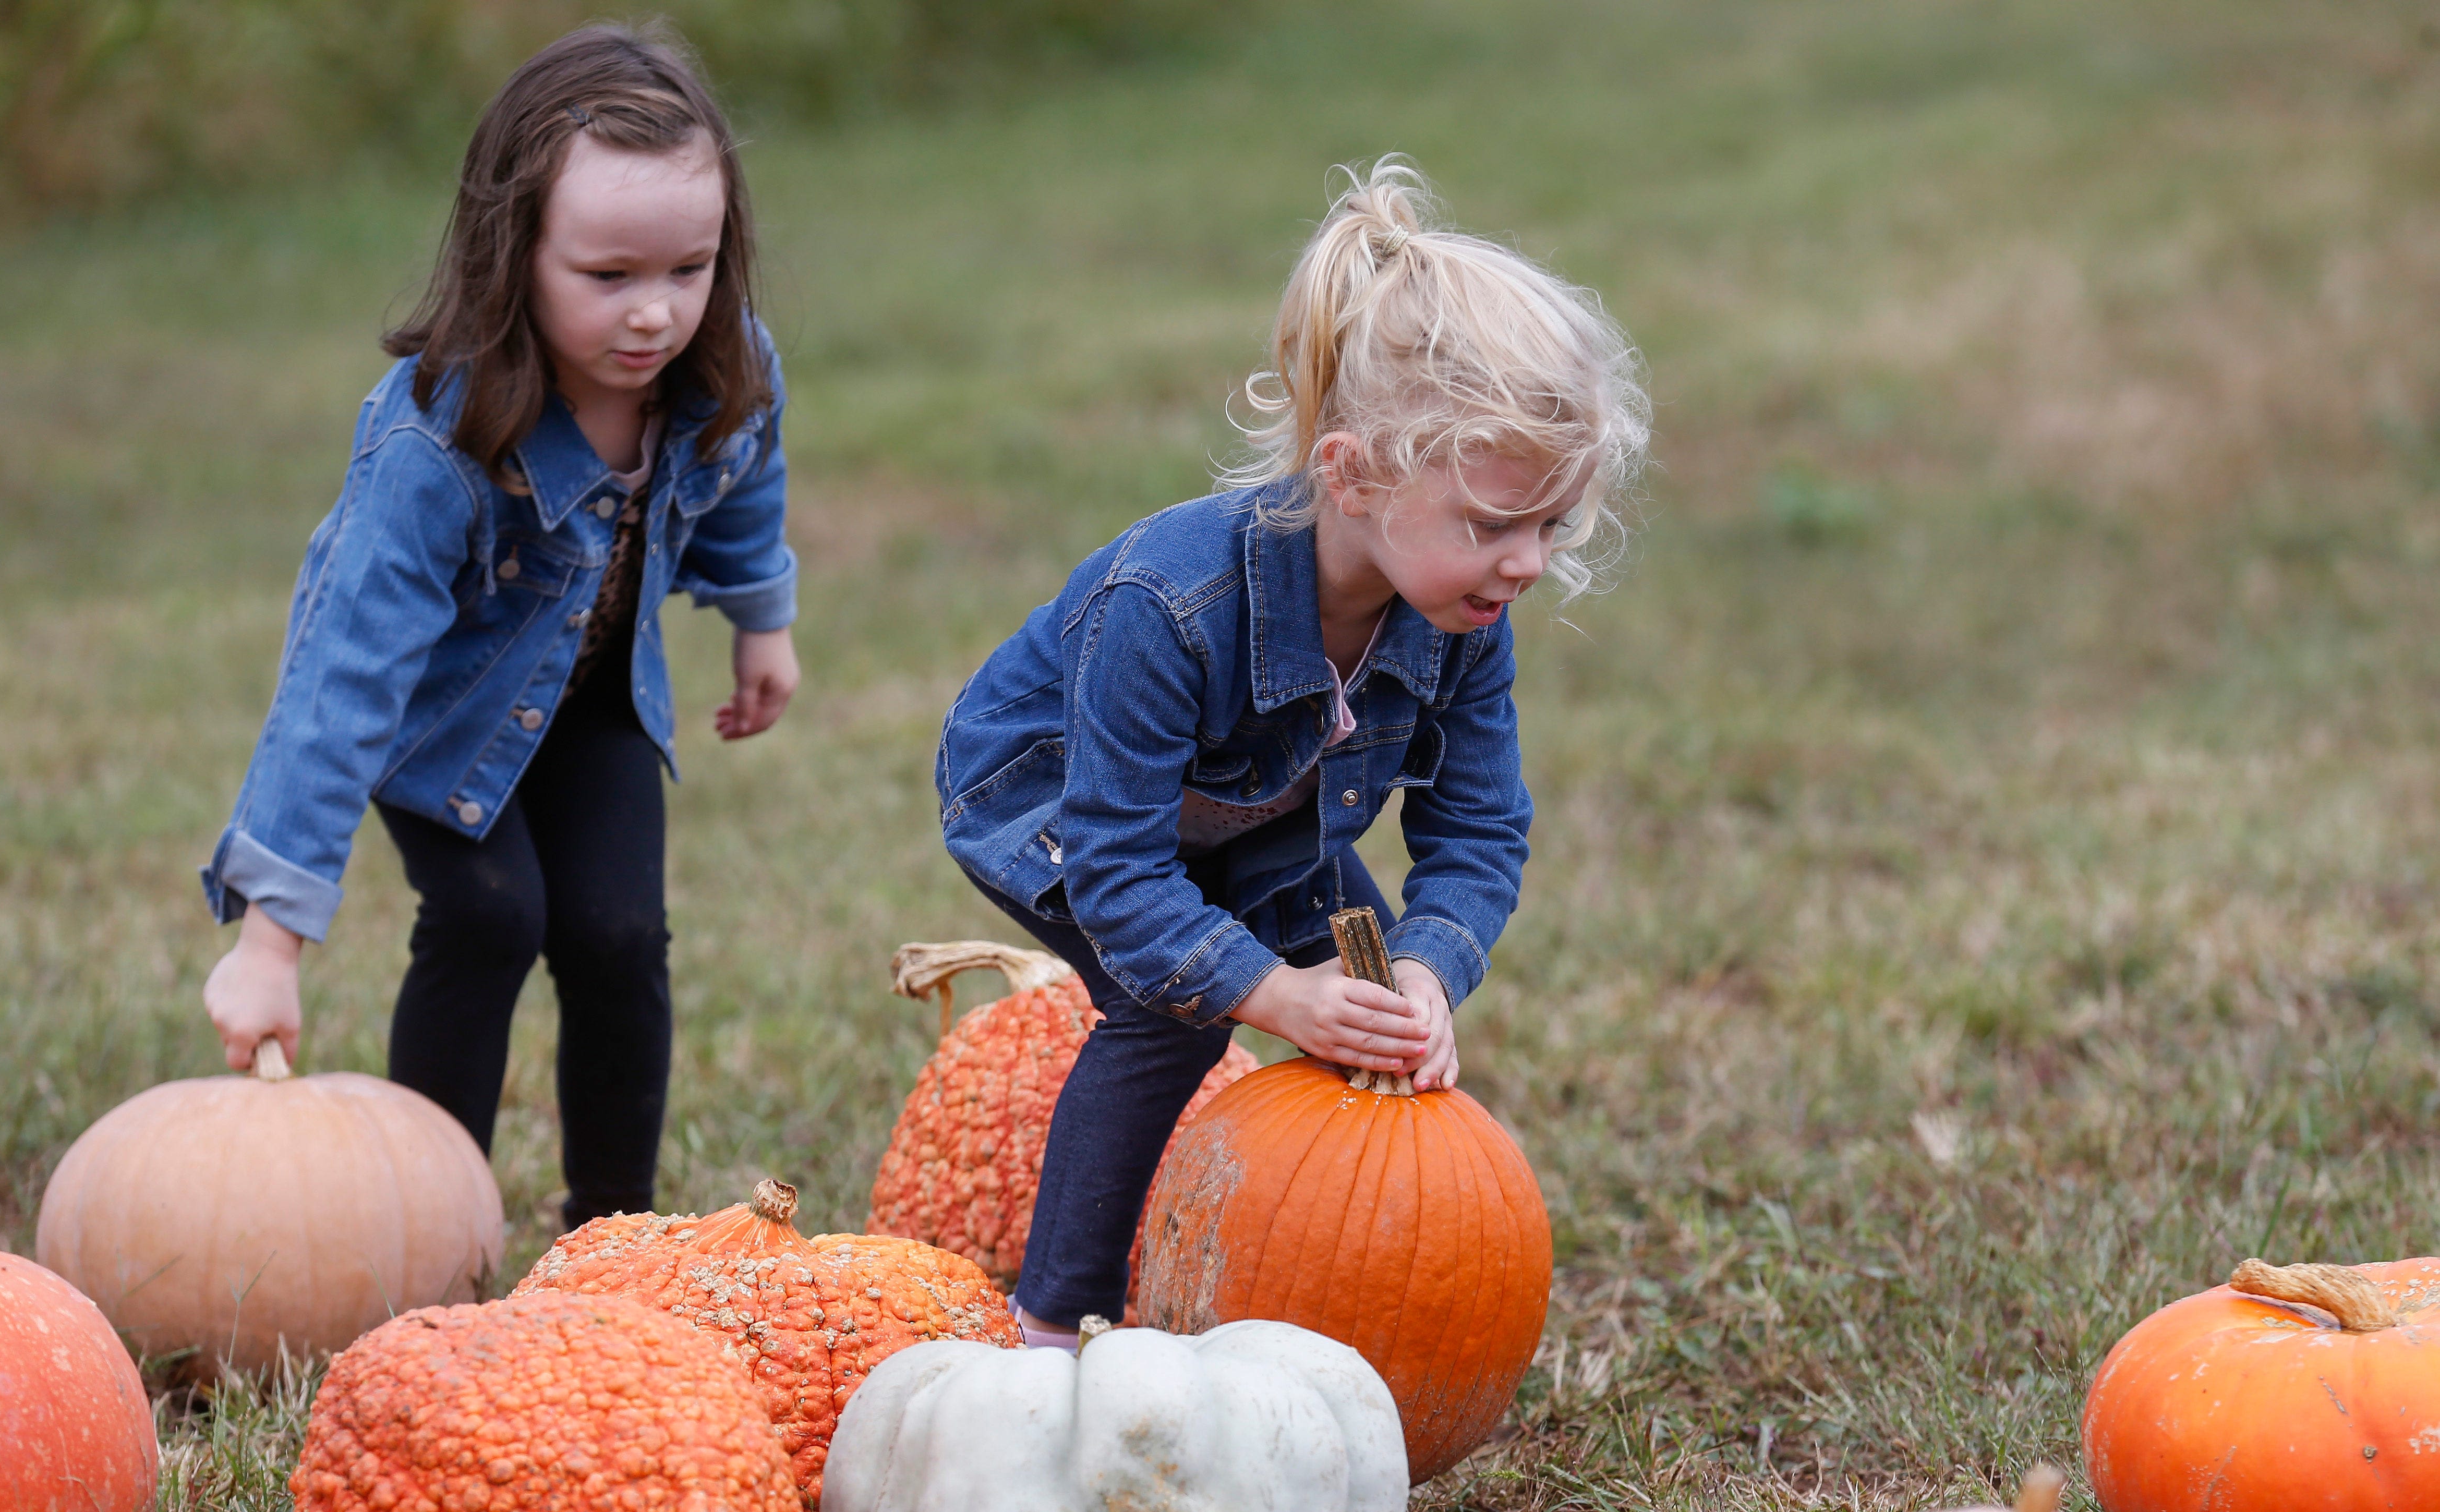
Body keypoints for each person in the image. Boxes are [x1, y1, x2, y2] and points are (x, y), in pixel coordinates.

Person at [937, 158, 1648, 1345]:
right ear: (1351, 473)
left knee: (1367, 1015)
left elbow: (1477, 830)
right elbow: (1120, 876)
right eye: (1491, 523)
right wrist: (1271, 994)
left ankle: (1304, 1299)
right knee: (1171, 1010)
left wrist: (1420, 978)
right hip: (1058, 808)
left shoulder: (1464, 616)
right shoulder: (1163, 606)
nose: (1525, 561)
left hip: (1257, 818)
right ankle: (1053, 1327)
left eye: (1549, 524)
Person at [198, 25, 801, 1231]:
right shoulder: (438, 441)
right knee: (490, 914)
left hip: (595, 704)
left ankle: (613, 1233)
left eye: (687, 269)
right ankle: (436, 1217)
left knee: (621, 934)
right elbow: (342, 678)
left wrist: (759, 618)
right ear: (513, 249)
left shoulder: (721, 362)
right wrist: (271, 942)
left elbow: (744, 473)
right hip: (439, 716)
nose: (655, 315)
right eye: (608, 276)